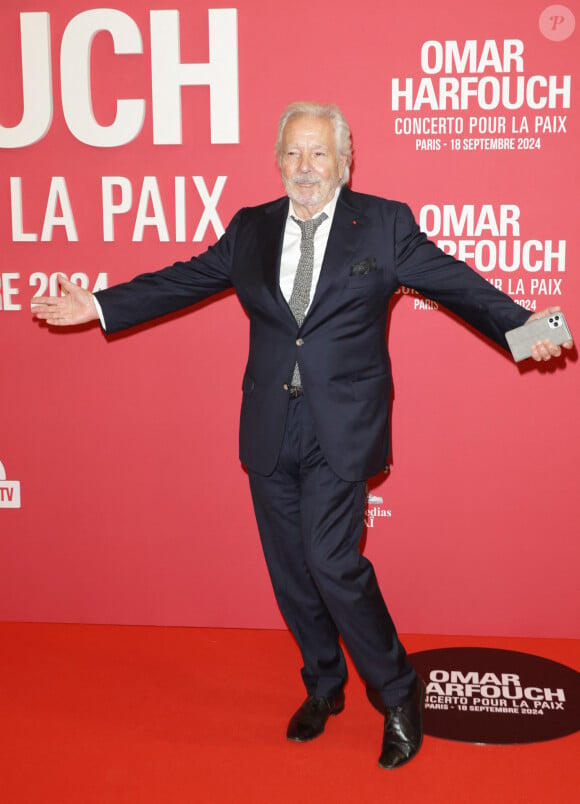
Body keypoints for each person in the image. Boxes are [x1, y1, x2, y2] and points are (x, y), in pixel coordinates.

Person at [31, 101, 573, 769]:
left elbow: (460, 287)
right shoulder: (251, 227)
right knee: (291, 573)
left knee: (332, 562)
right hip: (268, 423)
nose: (305, 167)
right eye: (293, 153)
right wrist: (99, 303)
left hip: (340, 426)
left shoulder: (383, 224)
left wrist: (528, 330)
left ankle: (399, 693)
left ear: (346, 160)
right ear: (277, 160)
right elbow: (186, 278)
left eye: (319, 153)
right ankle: (323, 683)